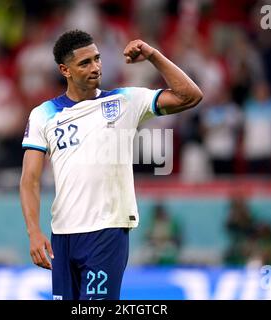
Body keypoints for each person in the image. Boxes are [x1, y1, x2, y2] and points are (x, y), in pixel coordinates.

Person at [19, 29, 203, 300]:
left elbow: (190, 95)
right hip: (62, 235)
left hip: (106, 232)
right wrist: (34, 231)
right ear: (64, 70)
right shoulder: (43, 115)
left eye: (97, 59)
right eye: (85, 63)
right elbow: (29, 180)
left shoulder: (124, 101)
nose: (95, 67)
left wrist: (153, 55)